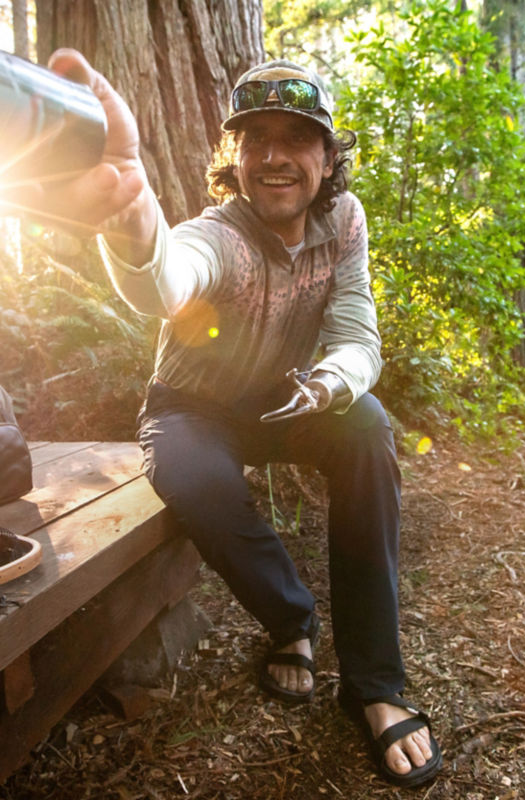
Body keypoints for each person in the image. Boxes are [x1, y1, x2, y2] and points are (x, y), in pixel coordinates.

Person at [9, 49, 442, 788]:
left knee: (368, 428)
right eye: (255, 138)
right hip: (193, 407)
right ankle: (292, 622)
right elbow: (172, 277)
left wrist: (331, 386)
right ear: (233, 156)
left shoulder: (344, 222)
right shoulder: (224, 234)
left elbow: (357, 332)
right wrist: (136, 223)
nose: (274, 157)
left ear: (330, 155)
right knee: (189, 472)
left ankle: (374, 684)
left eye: (297, 137)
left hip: (295, 398)